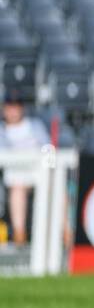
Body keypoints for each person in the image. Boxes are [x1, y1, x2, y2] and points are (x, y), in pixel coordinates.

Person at [0, 95, 50, 245]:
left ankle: (67, 236)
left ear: (22, 109)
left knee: (58, 189)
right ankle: (19, 236)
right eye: (10, 107)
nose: (13, 111)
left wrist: (49, 167)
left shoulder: (35, 125)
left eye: (16, 107)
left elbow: (49, 149)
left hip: (39, 172)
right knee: (17, 190)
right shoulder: (1, 130)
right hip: (15, 175)